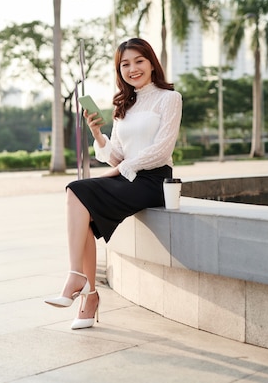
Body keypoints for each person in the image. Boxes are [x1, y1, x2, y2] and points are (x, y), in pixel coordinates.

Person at [44, 37, 183, 329]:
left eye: (138, 61)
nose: (132, 69)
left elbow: (162, 150)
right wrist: (98, 134)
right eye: (125, 64)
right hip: (129, 176)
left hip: (155, 179)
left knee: (77, 190)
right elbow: (116, 155)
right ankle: (88, 293)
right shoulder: (125, 104)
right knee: (80, 200)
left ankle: (78, 280)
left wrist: (121, 171)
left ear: (151, 62)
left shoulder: (169, 98)